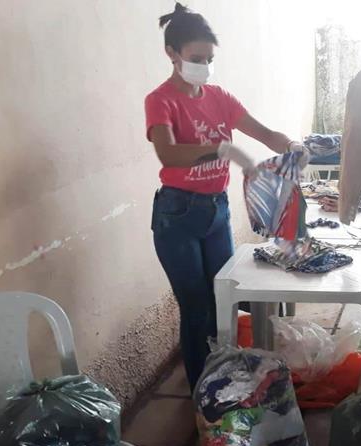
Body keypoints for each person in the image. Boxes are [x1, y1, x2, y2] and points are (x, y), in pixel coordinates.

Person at [145, 3, 308, 390]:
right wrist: (219, 149)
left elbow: (265, 134)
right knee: (196, 307)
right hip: (178, 214)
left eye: (209, 58)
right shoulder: (161, 100)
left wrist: (292, 144)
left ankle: (228, 377)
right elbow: (167, 153)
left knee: (226, 299)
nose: (203, 65)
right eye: (196, 58)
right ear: (172, 53)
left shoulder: (220, 97)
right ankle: (203, 391)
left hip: (216, 210)